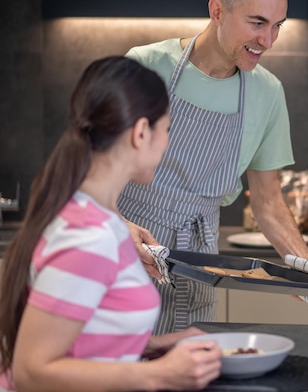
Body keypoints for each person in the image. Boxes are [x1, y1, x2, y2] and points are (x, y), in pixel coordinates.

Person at [0, 56, 221, 392]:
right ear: (141, 132)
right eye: (167, 129)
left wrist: (152, 346)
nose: (167, 142)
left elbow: (84, 333)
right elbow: (32, 372)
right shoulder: (88, 237)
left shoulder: (105, 221)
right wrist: (158, 375)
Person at [118, 0, 308, 334]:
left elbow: (268, 199)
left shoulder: (268, 93)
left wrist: (302, 263)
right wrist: (119, 227)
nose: (268, 40)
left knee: (191, 372)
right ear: (217, 10)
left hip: (199, 265)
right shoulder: (145, 66)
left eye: (277, 26)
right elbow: (87, 168)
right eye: (257, 23)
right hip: (124, 252)